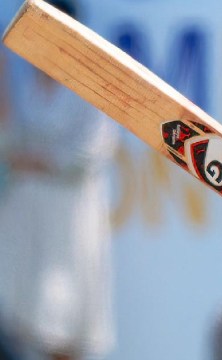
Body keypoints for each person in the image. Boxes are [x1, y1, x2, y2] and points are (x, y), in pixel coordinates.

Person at [0, 1, 118, 359]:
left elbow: (85, 158)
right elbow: (9, 144)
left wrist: (33, 161)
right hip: (26, 221)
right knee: (20, 325)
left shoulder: (96, 84)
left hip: (70, 223)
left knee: (66, 329)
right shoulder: (23, 79)